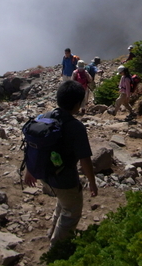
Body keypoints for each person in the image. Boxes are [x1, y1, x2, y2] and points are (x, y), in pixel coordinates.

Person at [24, 80, 98, 246]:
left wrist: (29, 170)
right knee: (71, 212)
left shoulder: (43, 117)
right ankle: (56, 248)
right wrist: (92, 183)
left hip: (44, 175)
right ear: (78, 104)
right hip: (65, 179)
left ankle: (52, 232)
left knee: (63, 202)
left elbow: (32, 145)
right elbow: (85, 159)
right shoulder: (76, 127)